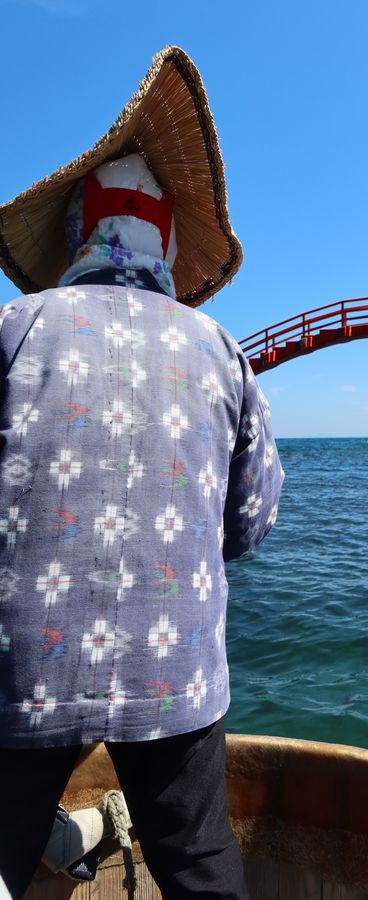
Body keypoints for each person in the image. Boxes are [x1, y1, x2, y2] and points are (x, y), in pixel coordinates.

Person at [0, 46, 283, 899]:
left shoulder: (14, 327)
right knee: (199, 859)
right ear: (163, 240)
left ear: (80, 232)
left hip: (20, 666)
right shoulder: (220, 350)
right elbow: (250, 519)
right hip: (177, 667)